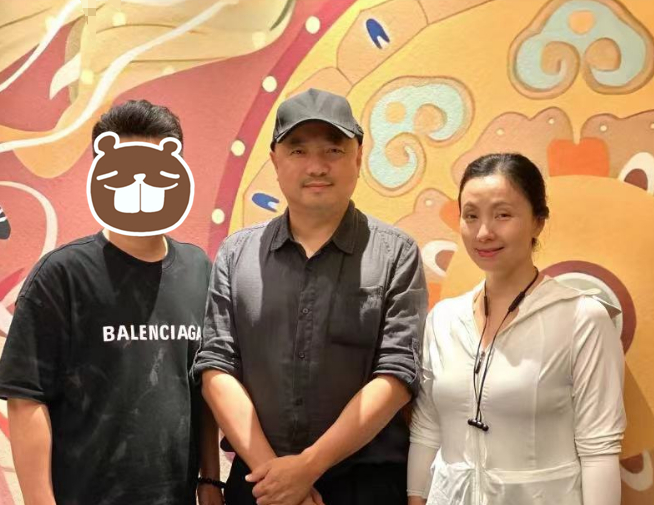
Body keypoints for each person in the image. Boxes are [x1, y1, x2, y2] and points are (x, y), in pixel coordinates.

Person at [193, 88, 427, 505]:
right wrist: (277, 479)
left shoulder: (397, 253)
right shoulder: (236, 254)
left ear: (359, 157)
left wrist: (306, 469)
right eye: (298, 150)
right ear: (275, 161)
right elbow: (216, 368)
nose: (317, 166)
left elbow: (396, 374)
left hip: (365, 485)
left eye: (334, 150)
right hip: (259, 485)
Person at [0, 99, 223, 505]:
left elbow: (204, 385)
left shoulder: (199, 270)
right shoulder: (62, 275)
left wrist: (210, 479)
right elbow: (25, 399)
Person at [407, 153, 626, 505]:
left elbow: (599, 449)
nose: (484, 232)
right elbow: (428, 428)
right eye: (471, 215)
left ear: (538, 221)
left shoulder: (582, 319)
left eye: (503, 214)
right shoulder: (444, 319)